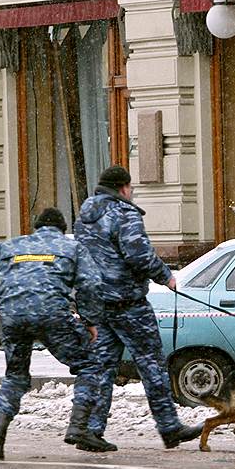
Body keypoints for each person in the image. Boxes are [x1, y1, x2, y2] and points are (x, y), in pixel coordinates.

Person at [74, 165, 203, 450]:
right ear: (123, 188)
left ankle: (92, 430)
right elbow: (139, 254)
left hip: (98, 303)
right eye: (130, 188)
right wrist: (165, 276)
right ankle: (169, 427)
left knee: (103, 368)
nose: (131, 193)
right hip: (128, 303)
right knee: (152, 365)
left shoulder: (84, 218)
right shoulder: (124, 212)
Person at [0, 207, 111, 460]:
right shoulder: (73, 248)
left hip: (13, 316)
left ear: (35, 227)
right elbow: (91, 284)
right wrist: (90, 320)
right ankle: (78, 427)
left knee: (15, 376)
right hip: (52, 314)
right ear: (62, 229)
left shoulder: (11, 246)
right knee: (89, 367)